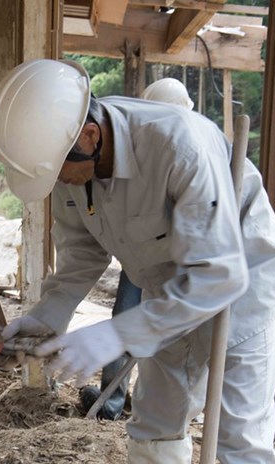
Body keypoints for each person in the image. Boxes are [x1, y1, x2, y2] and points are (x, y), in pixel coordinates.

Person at [0, 60, 275, 464]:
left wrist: (118, 333)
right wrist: (48, 315)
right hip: (164, 285)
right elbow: (81, 253)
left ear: (90, 135)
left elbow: (219, 274)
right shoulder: (67, 162)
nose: (58, 184)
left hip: (237, 280)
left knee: (241, 439)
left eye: (59, 173)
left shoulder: (179, 145)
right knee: (154, 418)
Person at [80, 77, 197, 420]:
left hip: (182, 265)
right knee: (126, 318)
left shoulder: (193, 153)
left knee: (174, 342)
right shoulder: (136, 145)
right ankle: (113, 400)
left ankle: (175, 405)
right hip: (141, 258)